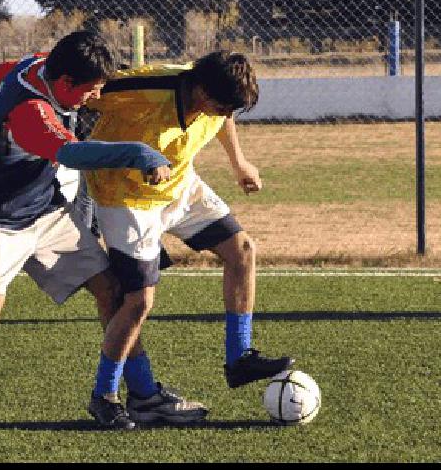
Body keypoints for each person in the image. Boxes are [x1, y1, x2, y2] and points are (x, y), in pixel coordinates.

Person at [0, 31, 208, 456]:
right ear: (64, 83)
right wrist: (138, 153)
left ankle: (142, 393)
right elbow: (73, 154)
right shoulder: (30, 111)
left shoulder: (39, 64)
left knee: (113, 292)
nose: (97, 95)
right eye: (92, 89)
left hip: (46, 211)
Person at [83, 52, 294, 425]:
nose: (224, 115)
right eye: (221, 106)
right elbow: (85, 90)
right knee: (135, 300)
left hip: (179, 186)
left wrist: (239, 162)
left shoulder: (216, 103)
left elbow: (223, 118)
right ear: (200, 88)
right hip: (124, 197)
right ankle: (118, 394)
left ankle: (239, 357)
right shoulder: (145, 89)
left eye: (231, 109)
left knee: (242, 249)